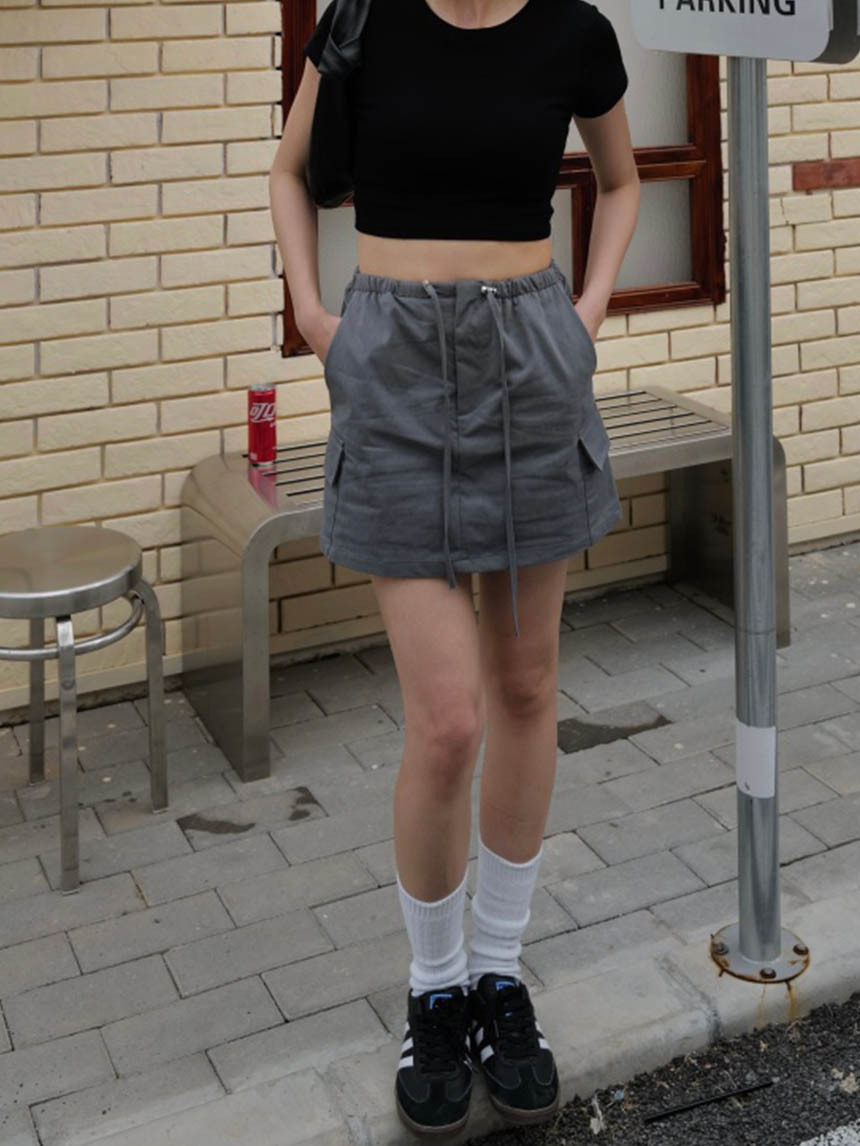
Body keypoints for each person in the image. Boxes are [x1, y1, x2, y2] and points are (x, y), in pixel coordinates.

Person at [269, 0, 640, 1134]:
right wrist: (314, 314)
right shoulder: (365, 19)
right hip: (391, 366)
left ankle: (496, 975)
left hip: (529, 357)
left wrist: (583, 313)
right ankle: (433, 989)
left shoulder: (573, 30)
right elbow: (290, 173)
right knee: (445, 721)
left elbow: (620, 180)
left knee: (525, 688)